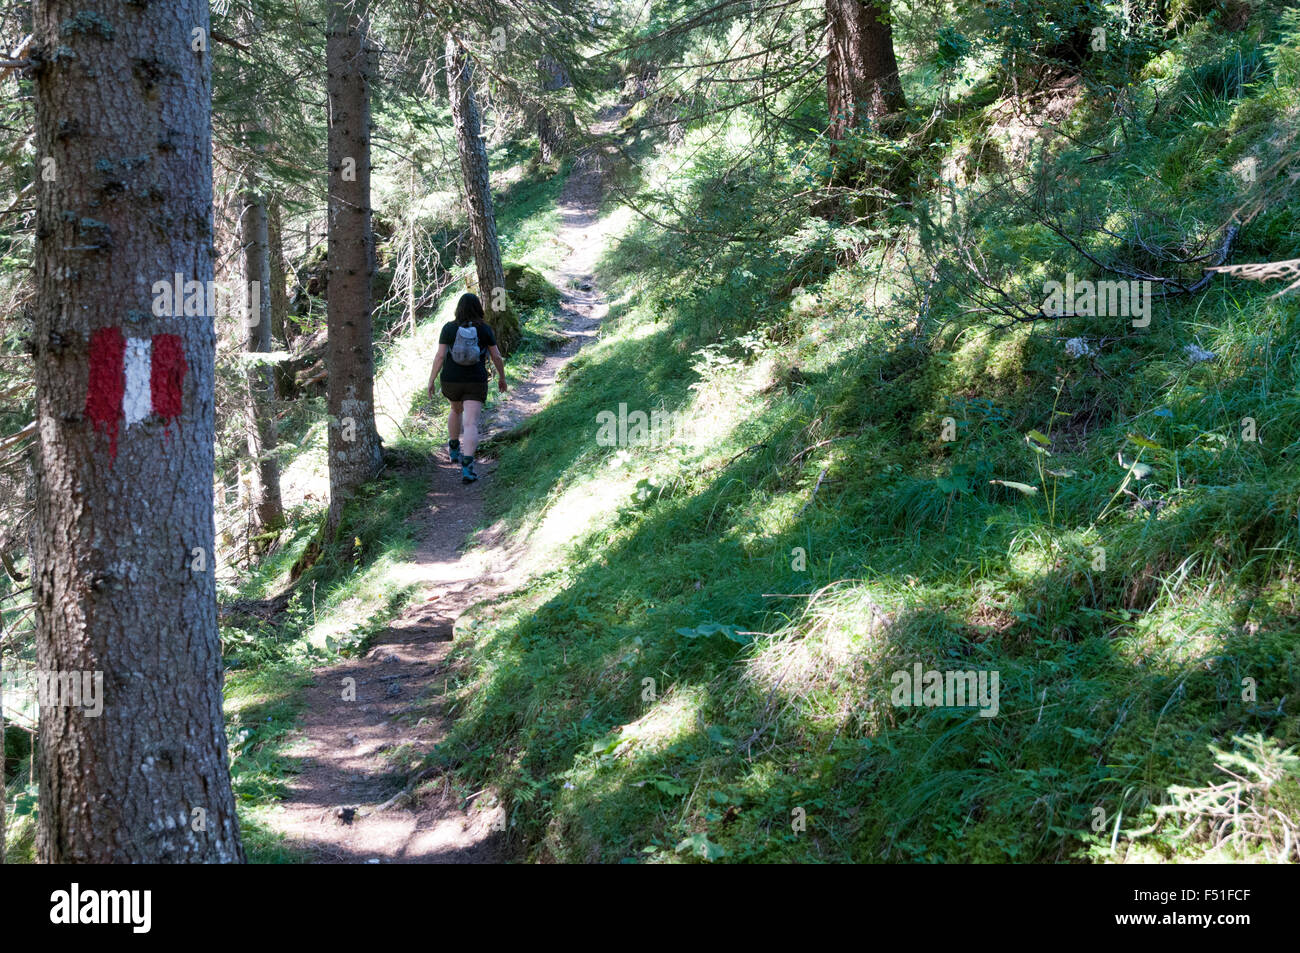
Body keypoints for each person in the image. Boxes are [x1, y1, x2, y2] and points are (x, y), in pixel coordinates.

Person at [427, 292, 507, 483]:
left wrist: (431, 380)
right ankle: (468, 469)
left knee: (455, 410)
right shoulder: (484, 329)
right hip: (475, 380)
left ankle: (454, 448)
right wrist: (502, 378)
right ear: (478, 309)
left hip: (451, 380)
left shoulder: (448, 328)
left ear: (458, 309)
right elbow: (496, 357)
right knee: (470, 423)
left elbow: (439, 356)